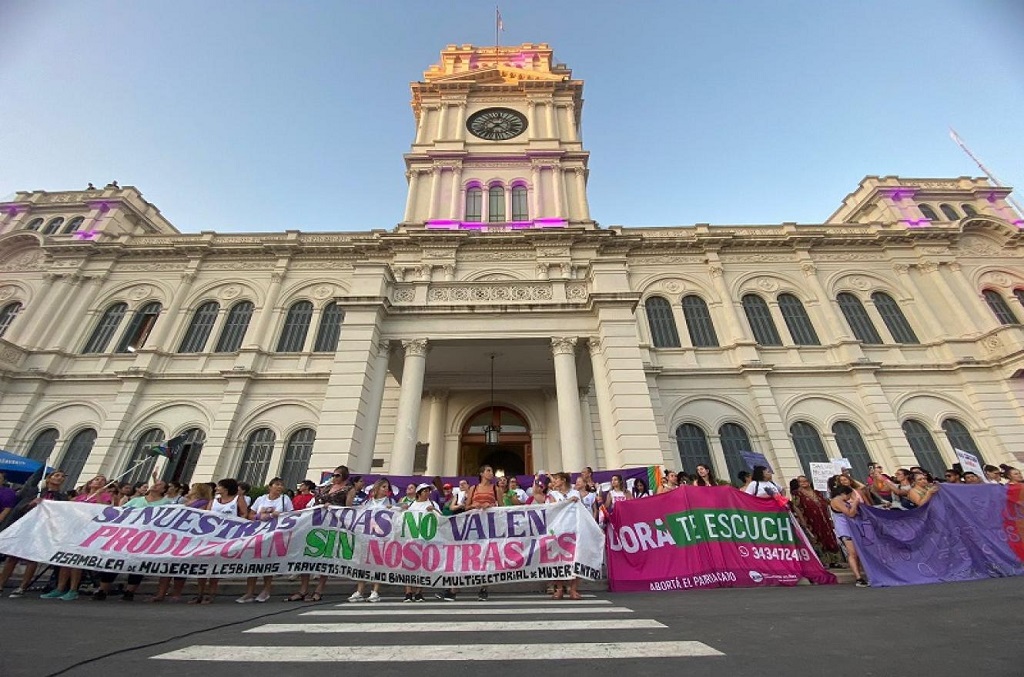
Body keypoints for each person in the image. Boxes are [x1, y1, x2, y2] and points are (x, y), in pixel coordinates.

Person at [2, 471, 69, 599]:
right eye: (57, 475)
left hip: (43, 530)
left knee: (32, 559)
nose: (60, 478)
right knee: (13, 557)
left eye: (62, 477)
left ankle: (22, 587)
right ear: (48, 479)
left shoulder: (62, 497)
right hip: (27, 527)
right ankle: (1, 583)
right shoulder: (35, 492)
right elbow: (20, 509)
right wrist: (32, 503)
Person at [185, 478, 248, 604]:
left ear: (226, 488)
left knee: (215, 566)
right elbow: (207, 515)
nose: (216, 488)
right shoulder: (213, 501)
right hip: (210, 536)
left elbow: (244, 514)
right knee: (202, 565)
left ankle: (211, 593)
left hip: (227, 536)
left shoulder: (237, 499)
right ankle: (200, 593)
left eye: (219, 486)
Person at [237, 477, 294, 603]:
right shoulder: (261, 499)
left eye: (281, 485)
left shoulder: (285, 499)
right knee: (253, 562)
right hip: (258, 532)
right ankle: (249, 592)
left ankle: (266, 590)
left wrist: (279, 516)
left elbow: (291, 515)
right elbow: (250, 515)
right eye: (277, 484)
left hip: (274, 533)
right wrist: (261, 516)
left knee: (268, 562)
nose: (279, 487)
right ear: (270, 486)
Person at [347, 479, 395, 603]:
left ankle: (375, 591)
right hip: (366, 537)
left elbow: (399, 512)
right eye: (383, 487)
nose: (386, 489)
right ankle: (360, 591)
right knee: (362, 563)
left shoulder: (390, 502)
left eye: (387, 487)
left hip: (381, 538)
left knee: (378, 564)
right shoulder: (368, 502)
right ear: (377, 488)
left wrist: (396, 508)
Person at [789, 476, 842, 568]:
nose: (804, 483)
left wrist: (830, 517)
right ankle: (822, 562)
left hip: (824, 519)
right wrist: (802, 520)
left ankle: (834, 561)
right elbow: (796, 507)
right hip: (810, 521)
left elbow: (825, 504)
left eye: (805, 481)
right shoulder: (797, 494)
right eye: (801, 482)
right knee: (817, 539)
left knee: (829, 538)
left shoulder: (817, 492)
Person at [466, 465, 501, 600]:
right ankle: (454, 588)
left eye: (492, 471)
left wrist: (491, 506)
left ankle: (484, 587)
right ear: (481, 473)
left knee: (487, 555)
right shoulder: (473, 489)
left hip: (489, 525)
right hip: (474, 525)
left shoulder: (495, 489)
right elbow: (467, 506)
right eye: (488, 471)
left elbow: (502, 508)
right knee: (471, 554)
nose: (491, 473)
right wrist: (474, 506)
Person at [828, 475, 868, 587]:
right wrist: (855, 503)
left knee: (858, 552)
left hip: (852, 528)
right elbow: (850, 513)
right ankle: (858, 578)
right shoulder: (837, 501)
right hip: (845, 530)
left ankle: (860, 575)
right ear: (844, 493)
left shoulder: (841, 500)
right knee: (853, 553)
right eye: (849, 495)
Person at [401, 484, 437, 602]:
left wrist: (434, 511)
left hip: (426, 540)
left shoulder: (432, 504)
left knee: (423, 566)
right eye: (425, 491)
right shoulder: (412, 505)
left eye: (428, 491)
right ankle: (408, 592)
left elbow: (441, 519)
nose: (427, 493)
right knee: (408, 566)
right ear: (419, 493)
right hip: (411, 540)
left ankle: (419, 592)